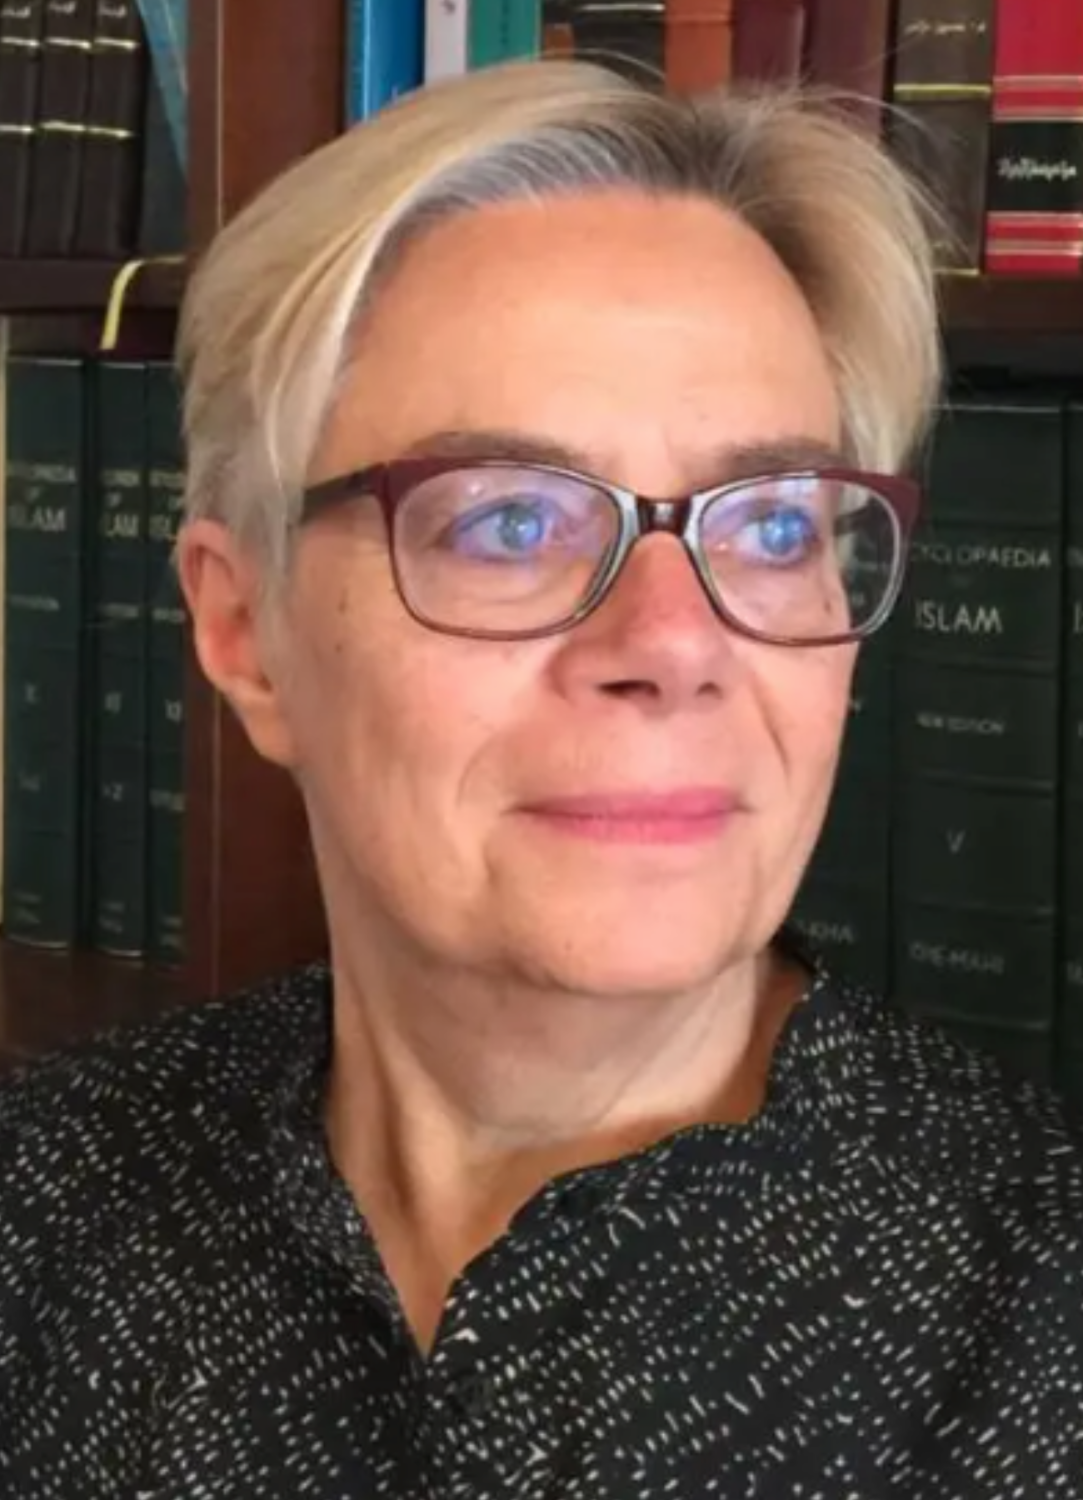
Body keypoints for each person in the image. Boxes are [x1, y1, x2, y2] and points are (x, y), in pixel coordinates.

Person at [2, 56, 1082, 1500]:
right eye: (508, 519)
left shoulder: (1037, 1310)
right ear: (243, 631)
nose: (673, 643)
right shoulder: (45, 1207)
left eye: (769, 524)